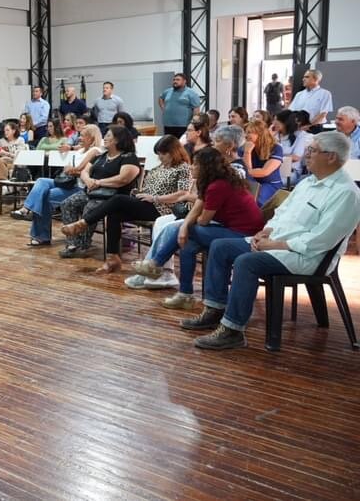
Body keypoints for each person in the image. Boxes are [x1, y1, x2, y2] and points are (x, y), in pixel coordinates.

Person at [183, 131, 360, 350]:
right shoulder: (308, 183)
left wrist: (274, 244)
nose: (306, 155)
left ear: (331, 157)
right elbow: (282, 213)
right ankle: (215, 309)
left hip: (304, 256)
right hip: (275, 243)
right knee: (220, 247)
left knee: (247, 262)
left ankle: (232, 330)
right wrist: (265, 232)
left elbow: (321, 240)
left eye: (312, 151)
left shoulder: (346, 193)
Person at [131, 147, 264, 309]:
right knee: (187, 242)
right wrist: (185, 225)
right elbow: (198, 208)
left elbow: (202, 221)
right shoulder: (212, 182)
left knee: (186, 231)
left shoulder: (218, 186)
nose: (191, 167)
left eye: (195, 164)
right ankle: (184, 294)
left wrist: (185, 227)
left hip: (244, 235)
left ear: (206, 167)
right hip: (231, 228)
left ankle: (155, 263)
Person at [61, 135, 192, 273]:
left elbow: (182, 194)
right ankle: (112, 259)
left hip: (164, 208)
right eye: (159, 154)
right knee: (114, 213)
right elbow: (149, 189)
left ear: (173, 152)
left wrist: (155, 198)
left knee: (118, 199)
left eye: (163, 154)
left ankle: (83, 223)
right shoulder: (161, 167)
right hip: (148, 203)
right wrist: (139, 193)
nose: (160, 157)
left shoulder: (183, 168)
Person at [57, 126, 141, 261]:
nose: (105, 139)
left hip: (112, 196)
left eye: (108, 136)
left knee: (90, 208)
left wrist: (99, 182)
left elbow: (123, 179)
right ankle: (72, 244)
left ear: (118, 139)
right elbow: (84, 171)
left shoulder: (128, 157)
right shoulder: (101, 156)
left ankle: (82, 245)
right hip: (92, 190)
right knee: (67, 203)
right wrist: (88, 180)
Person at [11, 125, 104, 246]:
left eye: (83, 136)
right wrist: (73, 169)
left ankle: (41, 236)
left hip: (79, 188)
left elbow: (81, 169)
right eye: (79, 135)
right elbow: (67, 168)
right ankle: (26, 209)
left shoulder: (95, 151)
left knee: (45, 195)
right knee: (41, 181)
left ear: (91, 138)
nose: (79, 138)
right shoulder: (80, 151)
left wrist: (74, 169)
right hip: (68, 182)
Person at [0, 121, 28, 207]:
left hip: (16, 164)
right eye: (5, 130)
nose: (5, 132)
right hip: (3, 165)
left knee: (0, 162)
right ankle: (4, 186)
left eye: (7, 130)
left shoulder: (20, 140)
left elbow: (20, 156)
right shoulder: (2, 141)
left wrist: (6, 154)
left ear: (13, 131)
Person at [241, 121, 283, 206]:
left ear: (259, 134)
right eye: (245, 132)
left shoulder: (276, 148)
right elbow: (245, 171)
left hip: (269, 183)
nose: (246, 135)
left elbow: (264, 172)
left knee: (255, 201)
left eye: (249, 132)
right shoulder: (244, 147)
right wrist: (247, 151)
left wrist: (247, 153)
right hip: (249, 182)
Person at [289, 69, 333, 133]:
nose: (303, 79)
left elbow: (323, 114)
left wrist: (309, 125)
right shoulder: (299, 94)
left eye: (307, 77)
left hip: (314, 129)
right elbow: (291, 111)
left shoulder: (325, 94)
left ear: (316, 79)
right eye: (303, 77)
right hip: (297, 128)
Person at [158, 73, 202, 137]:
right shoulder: (168, 91)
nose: (175, 81)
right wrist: (163, 107)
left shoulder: (191, 93)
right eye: (174, 80)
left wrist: (193, 123)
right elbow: (161, 98)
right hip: (168, 125)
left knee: (182, 144)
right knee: (169, 145)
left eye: (178, 80)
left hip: (183, 126)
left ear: (184, 81)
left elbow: (196, 109)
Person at [273, 110, 309, 184]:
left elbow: (296, 157)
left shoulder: (300, 135)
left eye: (277, 121)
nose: (274, 123)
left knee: (272, 183)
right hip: (272, 169)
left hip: (289, 171)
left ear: (285, 123)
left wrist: (275, 156)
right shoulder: (274, 134)